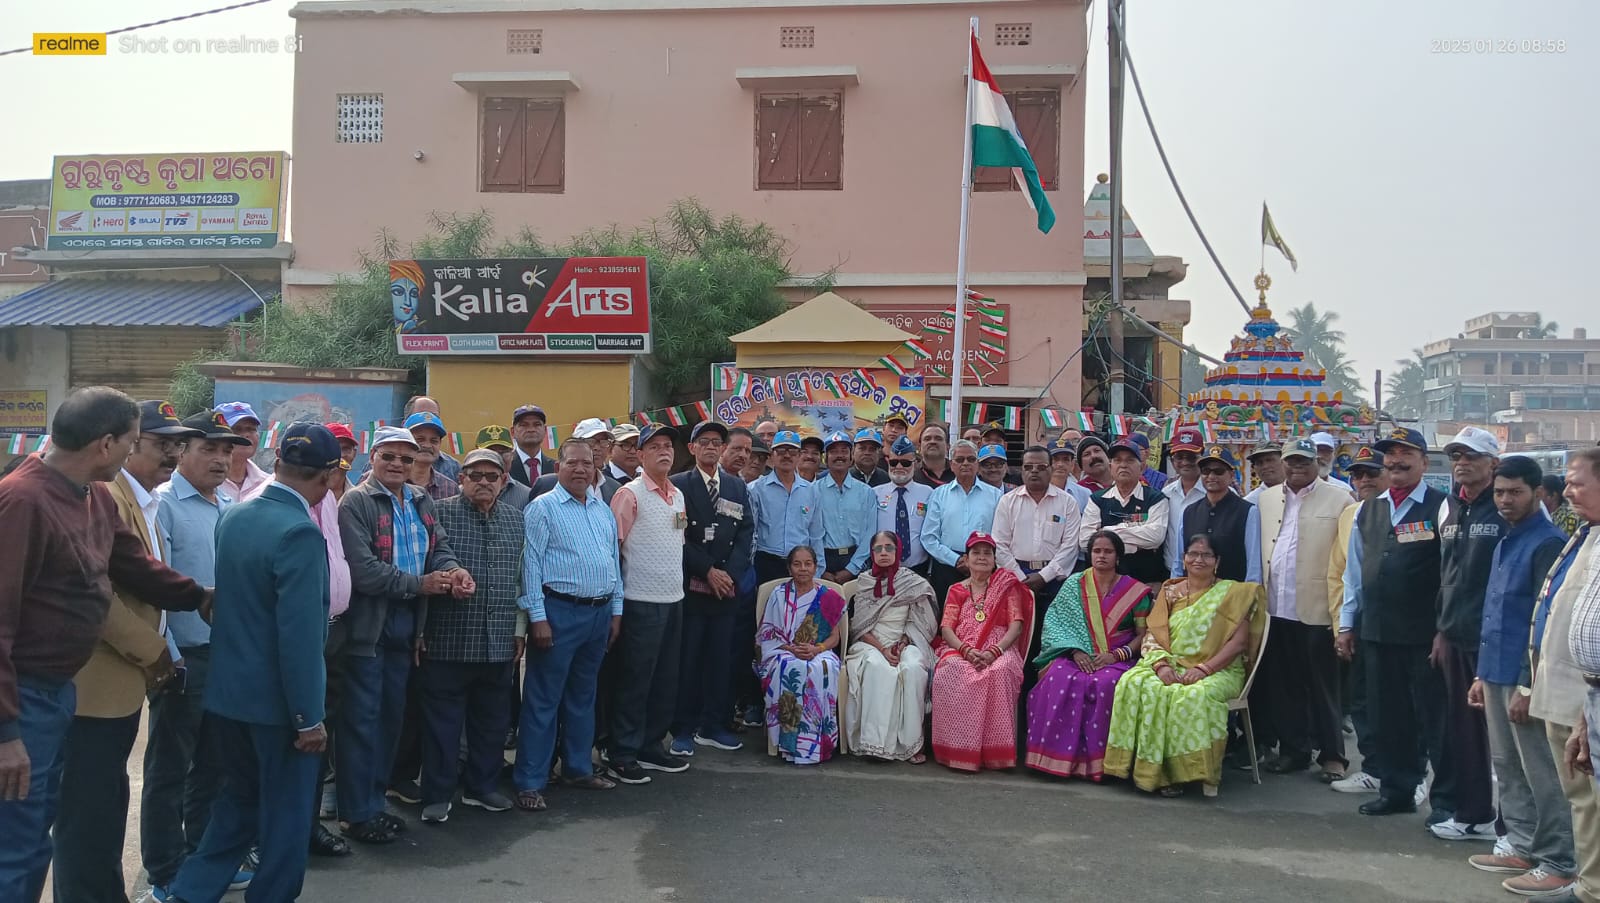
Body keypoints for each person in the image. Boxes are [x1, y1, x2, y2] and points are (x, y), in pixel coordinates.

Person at [0, 389, 207, 903]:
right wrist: (6, 733)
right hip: (22, 697)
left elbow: (131, 565)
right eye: (133, 442)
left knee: (45, 829)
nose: (135, 453)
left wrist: (199, 598)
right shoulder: (22, 500)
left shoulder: (89, 494)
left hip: (58, 693)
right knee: (18, 844)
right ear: (105, 443)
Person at [161, 423, 342, 903]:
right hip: (279, 707)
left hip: (227, 696)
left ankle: (190, 892)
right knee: (287, 816)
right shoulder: (301, 533)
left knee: (237, 804)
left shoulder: (235, 516)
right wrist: (309, 718)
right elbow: (299, 637)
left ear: (278, 463)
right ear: (327, 477)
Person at [337, 426, 469, 843]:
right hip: (370, 624)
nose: (397, 464)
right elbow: (365, 573)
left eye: (405, 459)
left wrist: (453, 571)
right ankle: (354, 813)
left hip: (409, 623)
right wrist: (423, 584)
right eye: (389, 456)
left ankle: (374, 804)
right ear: (371, 458)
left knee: (391, 719)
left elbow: (439, 548)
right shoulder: (355, 502)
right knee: (361, 721)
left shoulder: (419, 499)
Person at [142, 412, 252, 895]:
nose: (221, 458)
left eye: (227, 450)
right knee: (170, 769)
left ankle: (202, 857)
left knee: (213, 765)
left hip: (224, 656)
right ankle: (164, 871)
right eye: (209, 448)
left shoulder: (229, 503)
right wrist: (167, 656)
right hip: (183, 656)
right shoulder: (163, 505)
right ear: (180, 451)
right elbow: (153, 587)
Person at [1463, 455, 1575, 896]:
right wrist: (1480, 674)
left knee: (1540, 771)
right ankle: (1522, 845)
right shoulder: (1508, 539)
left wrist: (1529, 685)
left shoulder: (1547, 541)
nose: (1506, 501)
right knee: (1507, 764)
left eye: (1515, 493)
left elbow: (1543, 621)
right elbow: (1495, 611)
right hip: (1494, 667)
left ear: (1537, 493)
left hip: (1525, 676)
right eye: (1500, 493)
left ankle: (1559, 860)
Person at [1337, 427, 1451, 818]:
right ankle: (1396, 789)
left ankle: (1446, 802)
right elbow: (1354, 572)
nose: (1396, 461)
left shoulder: (1441, 506)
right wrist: (1347, 624)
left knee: (1432, 718)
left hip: (1423, 632)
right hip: (1377, 628)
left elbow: (1451, 573)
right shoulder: (1370, 508)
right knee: (1388, 715)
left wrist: (1444, 630)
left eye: (1406, 453)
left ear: (1423, 460)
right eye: (1391, 454)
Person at [1104, 533, 1264, 797]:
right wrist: (1162, 666)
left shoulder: (1234, 594)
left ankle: (1183, 774)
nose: (1198, 560)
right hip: (1170, 661)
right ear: (1184, 558)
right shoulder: (1170, 591)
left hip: (1218, 669)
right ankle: (1141, 769)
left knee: (1191, 695)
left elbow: (1238, 644)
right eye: (1193, 554)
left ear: (1217, 561)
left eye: (1206, 555)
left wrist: (1203, 669)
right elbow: (1153, 633)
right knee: (1133, 683)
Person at [414, 449, 525, 824]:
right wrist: (420, 629)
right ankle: (437, 794)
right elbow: (424, 569)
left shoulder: (516, 519)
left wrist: (518, 628)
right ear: (460, 479)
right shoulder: (438, 513)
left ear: (502, 482)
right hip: (448, 639)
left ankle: (482, 787)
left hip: (498, 640)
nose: (483, 482)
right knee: (442, 727)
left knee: (492, 723)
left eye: (491, 476)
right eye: (474, 475)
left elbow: (522, 579)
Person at [513, 441, 623, 812]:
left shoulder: (602, 510)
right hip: (558, 613)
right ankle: (530, 779)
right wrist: (538, 618)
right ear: (558, 466)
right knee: (543, 700)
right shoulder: (542, 508)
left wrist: (616, 611)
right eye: (572, 463)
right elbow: (530, 566)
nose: (580, 469)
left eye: (587, 464)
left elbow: (613, 564)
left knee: (583, 696)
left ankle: (577, 767)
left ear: (596, 468)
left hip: (598, 613)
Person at [1254, 438, 1356, 780]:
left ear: (1318, 463)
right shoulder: (1266, 499)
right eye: (1291, 462)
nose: (1297, 468)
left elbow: (1346, 560)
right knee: (1284, 685)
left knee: (1323, 686)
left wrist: (1344, 617)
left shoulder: (1340, 498)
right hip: (1276, 607)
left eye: (1304, 462)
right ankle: (1294, 750)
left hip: (1318, 608)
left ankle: (1333, 755)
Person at [1429, 427, 1507, 840]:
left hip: (1495, 638)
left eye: (1472, 456)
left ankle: (1512, 828)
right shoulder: (1450, 508)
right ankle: (1473, 814)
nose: (1462, 463)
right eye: (1456, 455)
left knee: (1505, 739)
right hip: (1455, 635)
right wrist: (1441, 630)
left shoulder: (1507, 506)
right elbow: (1447, 574)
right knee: (1464, 729)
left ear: (1493, 463)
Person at [1025, 530, 1152, 780]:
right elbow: (1056, 623)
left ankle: (1100, 765)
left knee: (1104, 683)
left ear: (1118, 557)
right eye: (1097, 551)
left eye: (1108, 551)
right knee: (1058, 678)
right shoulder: (1074, 584)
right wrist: (1075, 650)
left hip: (1117, 657)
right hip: (1075, 653)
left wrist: (1116, 655)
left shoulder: (1134, 591)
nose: (1101, 556)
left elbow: (1143, 634)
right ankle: (1054, 759)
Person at [605, 423, 691, 785]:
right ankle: (621, 752)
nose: (663, 452)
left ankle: (651, 744)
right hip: (639, 602)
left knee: (665, 680)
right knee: (634, 680)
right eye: (654, 446)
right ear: (639, 456)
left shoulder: (678, 495)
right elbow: (612, 552)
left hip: (674, 600)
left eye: (668, 446)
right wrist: (616, 608)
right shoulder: (630, 494)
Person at [1532, 448, 1600, 902]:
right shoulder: (1586, 534)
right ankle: (1590, 885)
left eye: (1577, 482)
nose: (1566, 491)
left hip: (1584, 690)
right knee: (1582, 796)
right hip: (1579, 690)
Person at [669, 421, 754, 756]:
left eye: (716, 442)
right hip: (692, 587)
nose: (710, 447)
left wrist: (729, 574)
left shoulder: (736, 487)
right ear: (692, 448)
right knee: (689, 660)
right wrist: (707, 570)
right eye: (703, 442)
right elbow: (677, 535)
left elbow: (746, 532)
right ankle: (683, 728)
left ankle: (713, 725)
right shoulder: (677, 486)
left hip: (726, 590)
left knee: (721, 659)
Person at [930, 532, 1030, 772]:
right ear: (966, 558)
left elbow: (1016, 626)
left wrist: (994, 651)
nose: (982, 557)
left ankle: (994, 752)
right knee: (951, 670)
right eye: (976, 552)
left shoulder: (1007, 586)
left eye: (988, 553)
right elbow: (946, 628)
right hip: (962, 646)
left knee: (1000, 670)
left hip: (1000, 646)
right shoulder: (956, 589)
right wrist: (965, 650)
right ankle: (958, 749)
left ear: (995, 559)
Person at [1326, 445, 1391, 796]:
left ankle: (1407, 775)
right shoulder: (1351, 514)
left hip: (1400, 623)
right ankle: (1374, 769)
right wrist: (1344, 625)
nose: (1364, 480)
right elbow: (1341, 574)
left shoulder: (1414, 511)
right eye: (1357, 474)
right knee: (1363, 700)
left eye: (1372, 473)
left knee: (1401, 703)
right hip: (1360, 621)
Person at [993, 445, 1084, 689]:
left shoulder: (1067, 503)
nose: (1034, 472)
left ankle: (1049, 701)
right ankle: (1019, 708)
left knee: (1053, 644)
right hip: (1016, 579)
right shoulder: (1007, 502)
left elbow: (1070, 547)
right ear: (1021, 470)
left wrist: (1044, 576)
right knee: (1020, 643)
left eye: (1041, 467)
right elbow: (999, 545)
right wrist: (1023, 578)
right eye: (1028, 467)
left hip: (1056, 582)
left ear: (1052, 469)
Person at [846, 533, 938, 762]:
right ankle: (875, 744)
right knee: (879, 668)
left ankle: (913, 744)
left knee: (914, 668)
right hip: (869, 644)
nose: (884, 553)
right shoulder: (864, 582)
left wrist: (903, 643)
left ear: (898, 552)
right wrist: (882, 649)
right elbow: (858, 627)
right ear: (872, 553)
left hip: (904, 641)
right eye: (878, 549)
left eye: (889, 548)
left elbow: (921, 621)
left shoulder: (912, 582)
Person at [758, 546, 846, 765]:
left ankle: (817, 743)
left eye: (808, 564)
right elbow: (767, 634)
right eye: (797, 564)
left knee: (821, 667)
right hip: (784, 651)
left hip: (819, 650)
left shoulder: (828, 597)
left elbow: (835, 637)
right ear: (789, 568)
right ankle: (791, 743)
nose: (803, 569)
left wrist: (816, 649)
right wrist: (792, 649)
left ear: (816, 567)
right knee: (794, 668)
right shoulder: (778, 595)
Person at [1077, 437, 1170, 586]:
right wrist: (1136, 542)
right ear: (1110, 466)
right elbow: (1085, 541)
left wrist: (1106, 531)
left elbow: (1155, 537)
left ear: (1141, 467)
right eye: (1118, 460)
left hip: (1146, 583)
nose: (1123, 465)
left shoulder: (1156, 498)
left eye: (1130, 460)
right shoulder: (1097, 499)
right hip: (1103, 584)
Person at [921, 440, 1004, 605]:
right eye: (959, 460)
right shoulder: (939, 494)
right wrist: (956, 560)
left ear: (977, 464)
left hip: (984, 567)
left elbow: (1001, 535)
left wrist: (981, 561)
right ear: (951, 465)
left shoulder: (995, 495)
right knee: (946, 621)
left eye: (971, 459)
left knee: (981, 620)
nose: (965, 463)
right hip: (947, 567)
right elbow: (928, 537)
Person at [1174, 445, 1262, 584]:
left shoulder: (1247, 511)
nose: (1211, 476)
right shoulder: (1189, 511)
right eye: (1206, 471)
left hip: (1232, 596)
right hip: (1193, 597)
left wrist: (1250, 595)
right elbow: (1178, 560)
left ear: (1231, 475)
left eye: (1218, 471)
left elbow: (1254, 563)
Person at [748, 430, 825, 586]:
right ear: (772, 454)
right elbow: (750, 532)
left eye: (792, 451)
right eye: (781, 451)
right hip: (766, 563)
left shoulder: (811, 491)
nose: (787, 456)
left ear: (799, 455)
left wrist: (818, 570)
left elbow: (815, 534)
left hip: (801, 564)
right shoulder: (756, 489)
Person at [815, 430, 876, 584]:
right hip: (823, 561)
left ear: (851, 457)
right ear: (826, 458)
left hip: (856, 560)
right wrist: (821, 569)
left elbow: (871, 532)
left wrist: (852, 568)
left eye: (844, 451)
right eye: (833, 451)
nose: (839, 455)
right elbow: (810, 533)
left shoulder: (866, 492)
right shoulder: (812, 491)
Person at [875, 437, 933, 577]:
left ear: (915, 464)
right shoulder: (875, 493)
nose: (899, 467)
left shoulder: (928, 493)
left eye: (905, 463)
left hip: (919, 569)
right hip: (884, 570)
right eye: (894, 462)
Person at [531, 421, 623, 504]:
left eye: (603, 442)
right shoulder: (548, 484)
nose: (597, 448)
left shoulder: (614, 487)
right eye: (591, 441)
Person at [1160, 427, 1206, 580]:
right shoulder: (1166, 493)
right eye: (1179, 457)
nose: (1185, 462)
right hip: (1170, 572)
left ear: (1202, 457)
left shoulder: (1216, 493)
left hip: (1206, 573)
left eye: (1191, 457)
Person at [215, 401, 269, 500]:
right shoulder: (204, 482)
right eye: (236, 429)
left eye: (251, 429)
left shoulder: (267, 485)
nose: (246, 435)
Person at [404, 411, 458, 501]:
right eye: (420, 439)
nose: (427, 445)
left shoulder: (450, 488)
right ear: (405, 441)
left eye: (434, 441)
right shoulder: (392, 482)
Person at [403, 395, 461, 480]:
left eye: (433, 416)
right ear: (404, 425)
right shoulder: (391, 464)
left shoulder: (454, 468)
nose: (427, 445)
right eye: (420, 439)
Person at [509, 404, 557, 486]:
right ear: (513, 431)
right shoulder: (505, 467)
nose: (531, 429)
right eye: (524, 425)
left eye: (537, 424)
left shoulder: (556, 467)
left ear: (545, 430)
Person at [1047, 437, 1091, 513]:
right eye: (1055, 459)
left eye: (1066, 459)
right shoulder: (1038, 492)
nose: (1060, 464)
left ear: (1072, 464)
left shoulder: (1084, 494)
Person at [915, 423, 955, 488]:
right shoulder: (911, 477)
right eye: (927, 439)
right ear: (919, 447)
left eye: (938, 438)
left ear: (948, 447)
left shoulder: (959, 474)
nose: (932, 442)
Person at [327, 423, 359, 496]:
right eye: (333, 449)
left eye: (345, 449)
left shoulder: (358, 498)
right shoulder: (306, 493)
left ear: (354, 454)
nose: (340, 455)